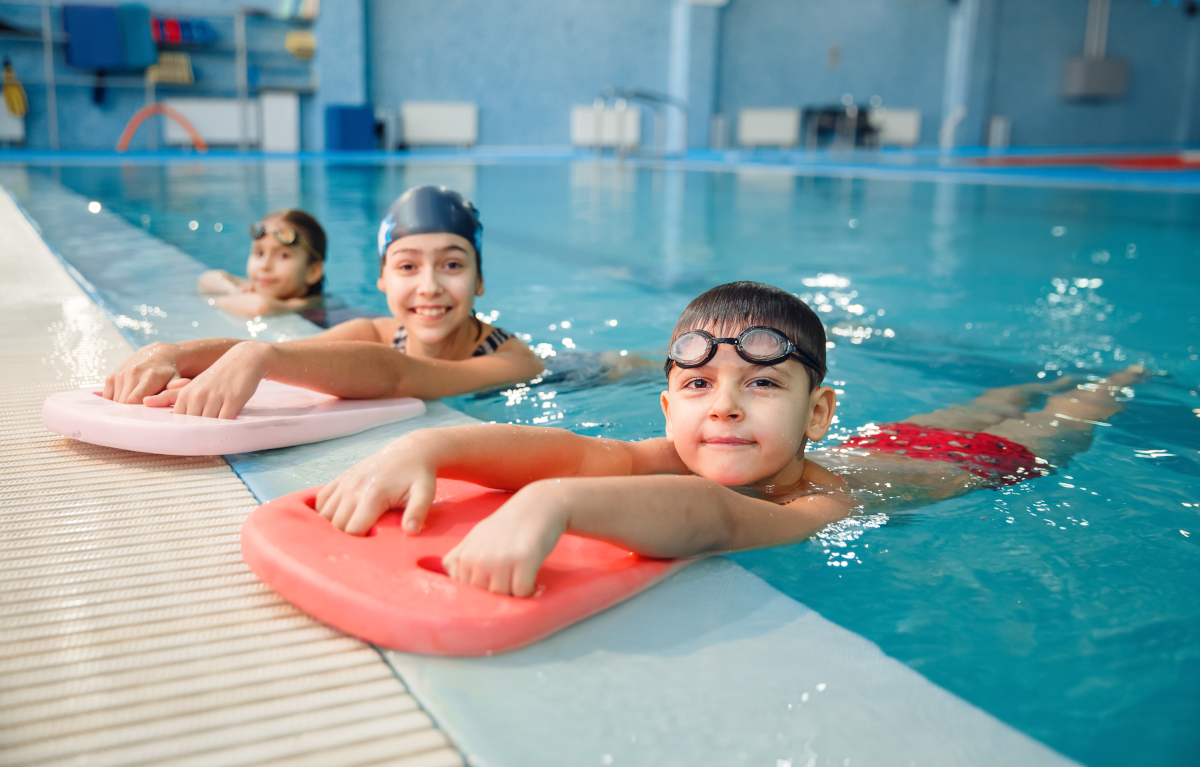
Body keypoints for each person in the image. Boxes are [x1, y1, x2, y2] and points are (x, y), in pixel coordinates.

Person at [314, 281, 1146, 599]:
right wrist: (428, 450)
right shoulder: (681, 451)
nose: (726, 408)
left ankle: (1123, 377)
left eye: (763, 384)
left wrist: (556, 506)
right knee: (989, 399)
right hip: (895, 435)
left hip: (989, 467)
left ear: (816, 415)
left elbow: (714, 520)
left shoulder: (818, 498)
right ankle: (1038, 379)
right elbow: (572, 450)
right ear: (667, 407)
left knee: (1058, 417)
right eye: (699, 386)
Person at [104, 186, 543, 417]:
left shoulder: (515, 362)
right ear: (382, 280)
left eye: (452, 265)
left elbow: (399, 376)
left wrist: (260, 356)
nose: (428, 286)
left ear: (479, 279)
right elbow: (289, 355)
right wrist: (175, 354)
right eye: (407, 266)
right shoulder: (376, 332)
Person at [197, 209, 327, 318]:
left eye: (283, 256)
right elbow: (208, 278)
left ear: (313, 272)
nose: (265, 266)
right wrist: (235, 290)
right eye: (259, 253)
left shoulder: (311, 303)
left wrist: (216, 302)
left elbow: (259, 307)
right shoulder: (262, 284)